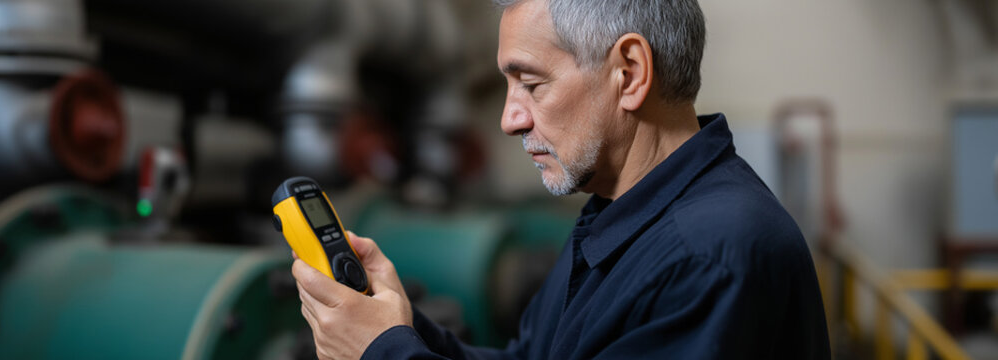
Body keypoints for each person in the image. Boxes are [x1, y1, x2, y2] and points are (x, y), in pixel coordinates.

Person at [289, 0, 831, 358]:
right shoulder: (619, 212)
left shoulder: (710, 257)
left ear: (630, 74)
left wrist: (383, 353)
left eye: (530, 84)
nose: (509, 119)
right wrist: (399, 326)